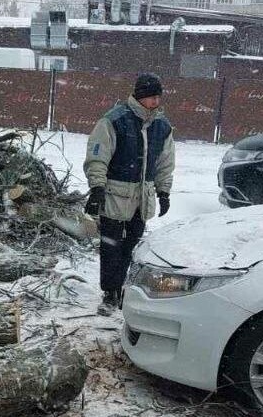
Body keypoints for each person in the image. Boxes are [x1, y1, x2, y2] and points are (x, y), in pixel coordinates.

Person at [83, 73, 176, 316]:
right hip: (114, 195)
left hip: (142, 199)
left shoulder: (162, 126)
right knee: (110, 246)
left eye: (158, 97)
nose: (156, 102)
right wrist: (97, 189)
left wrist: (164, 191)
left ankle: (123, 287)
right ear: (140, 96)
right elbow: (97, 157)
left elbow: (166, 162)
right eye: (151, 97)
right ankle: (109, 292)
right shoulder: (114, 121)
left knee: (131, 247)